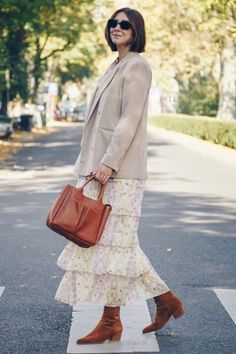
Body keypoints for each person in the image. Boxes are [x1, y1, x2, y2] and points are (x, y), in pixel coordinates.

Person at [54, 7, 185, 344]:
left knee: (118, 246)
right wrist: (88, 164)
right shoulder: (116, 65)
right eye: (113, 23)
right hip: (102, 170)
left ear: (136, 29)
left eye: (125, 24)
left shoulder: (137, 66)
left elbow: (128, 120)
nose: (117, 27)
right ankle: (157, 303)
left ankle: (120, 318)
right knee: (117, 246)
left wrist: (109, 163)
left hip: (121, 173)